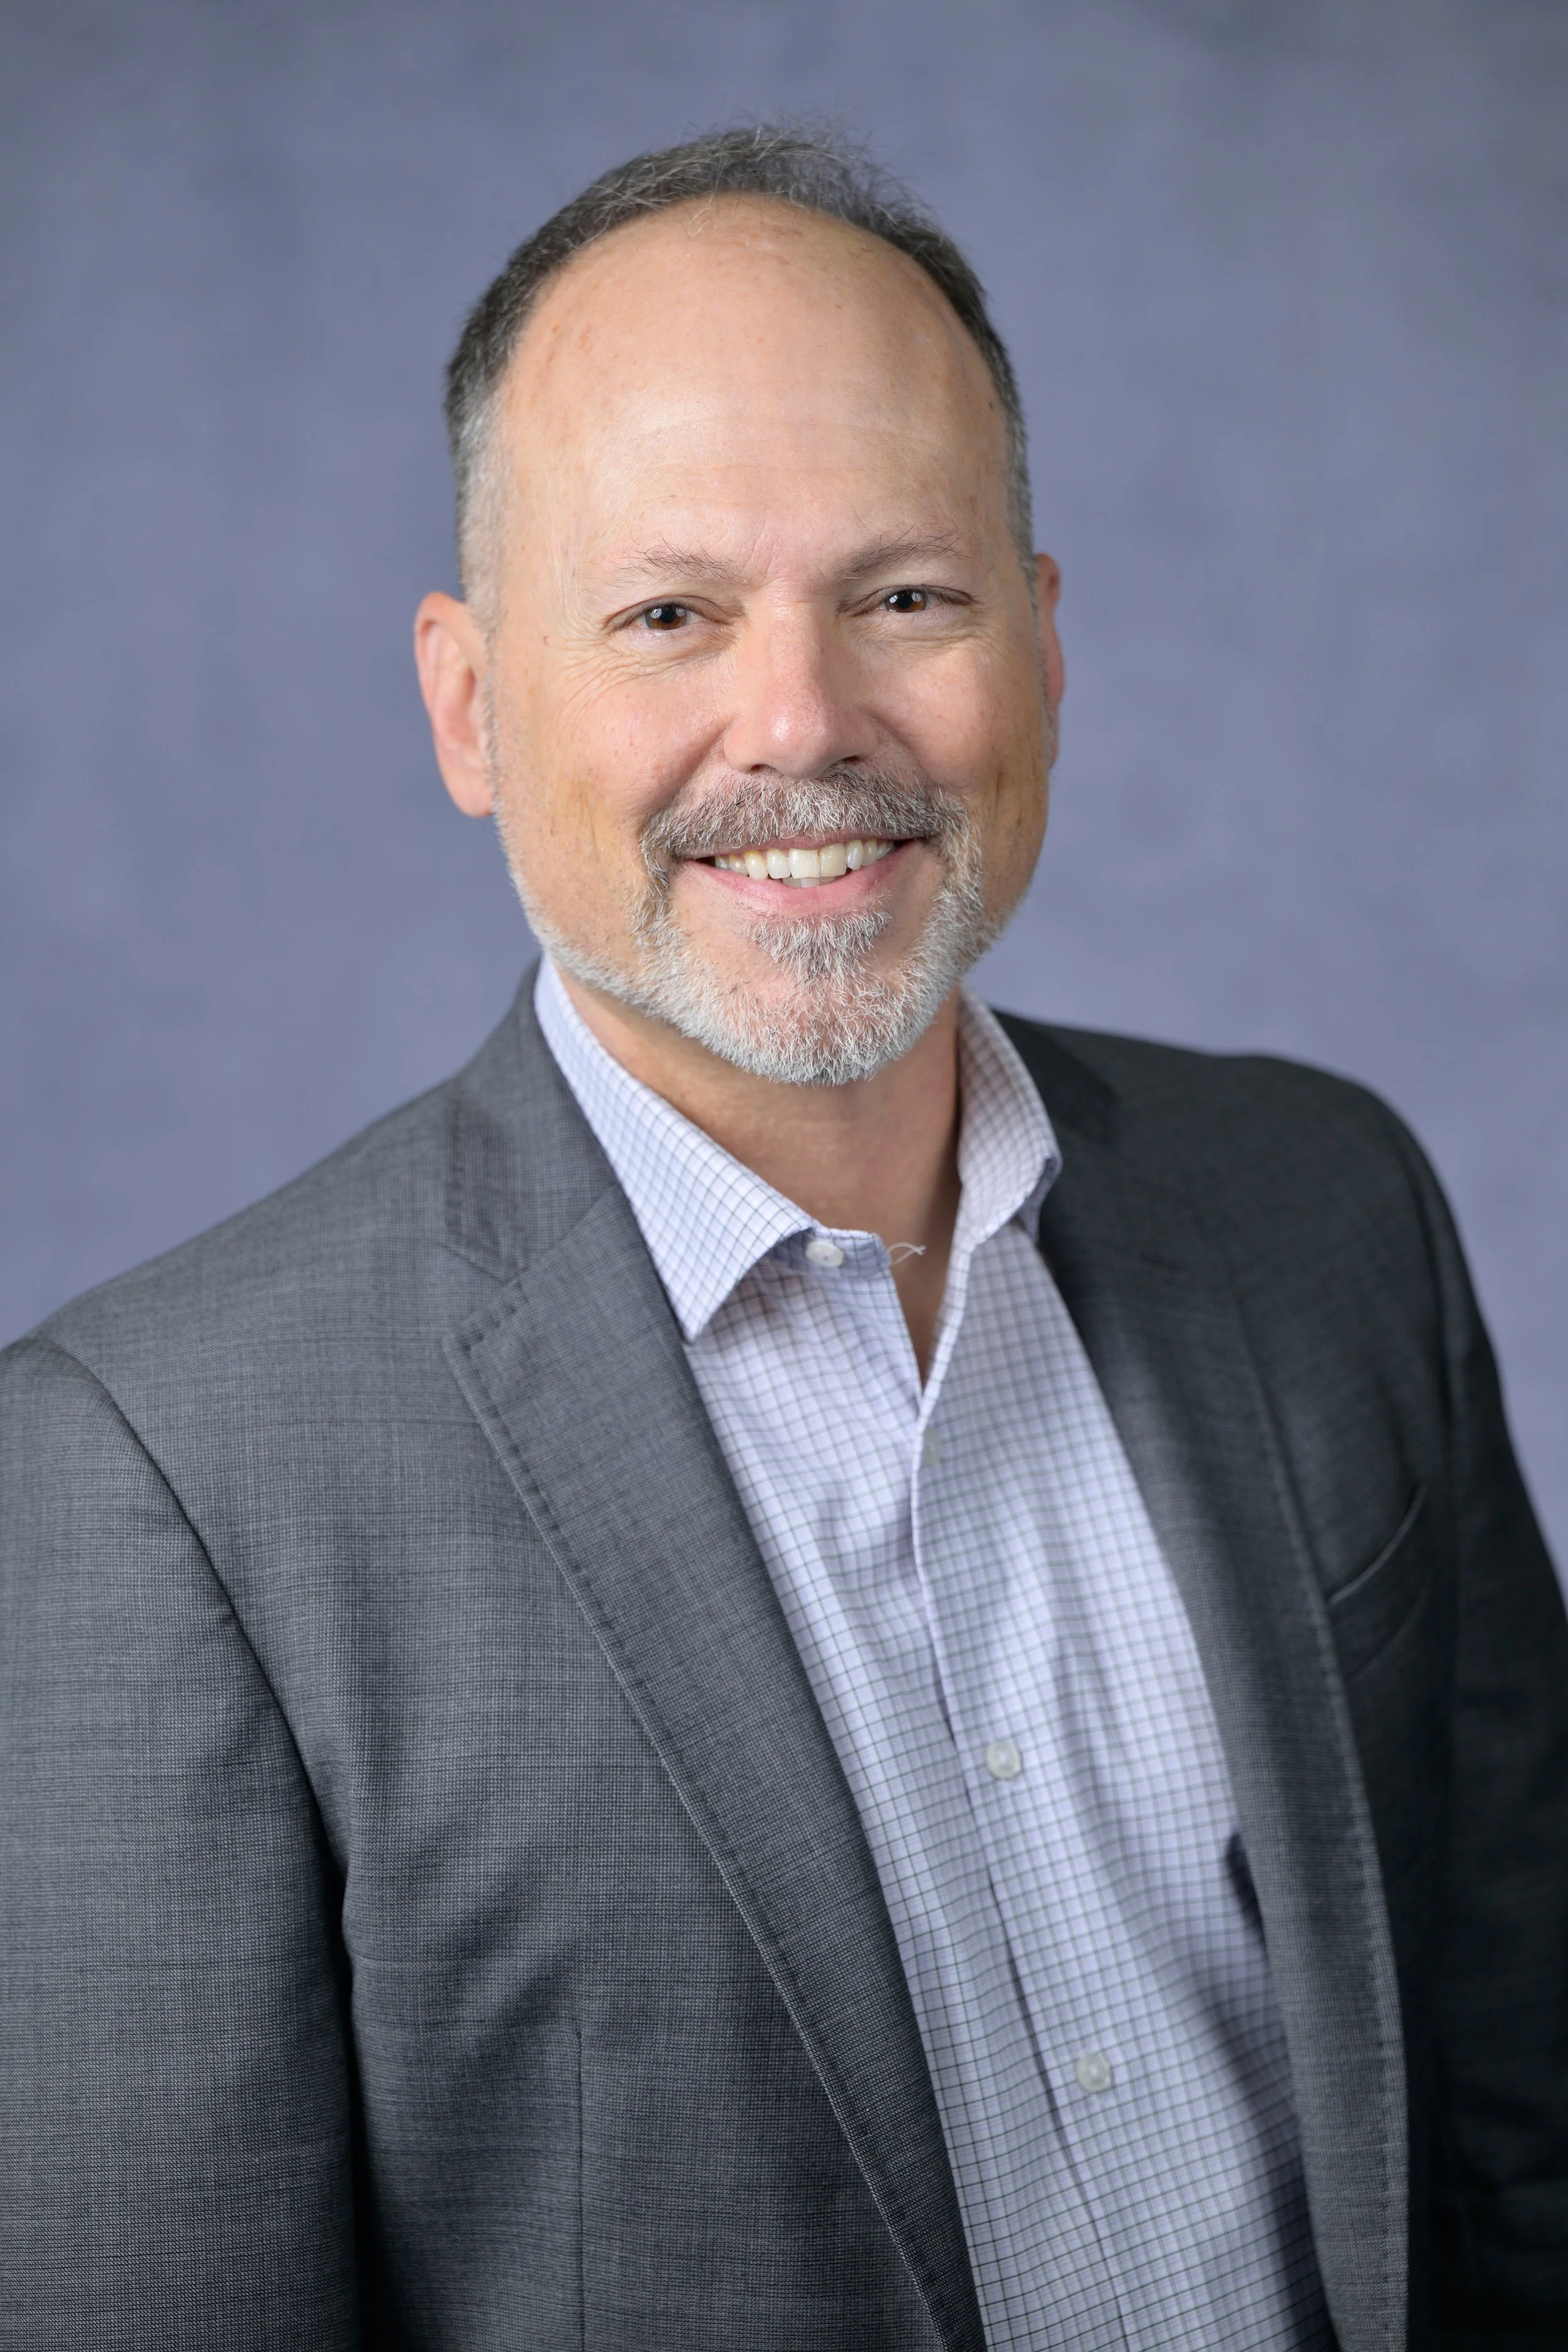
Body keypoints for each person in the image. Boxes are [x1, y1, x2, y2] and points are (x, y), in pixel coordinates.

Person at [2, 124, 1564, 2352]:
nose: (805, 723)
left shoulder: (1325, 1215)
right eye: (667, 614)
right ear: (468, 703)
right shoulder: (153, 1479)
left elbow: (1517, 2120)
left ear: (1036, 647)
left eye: (902, 595)